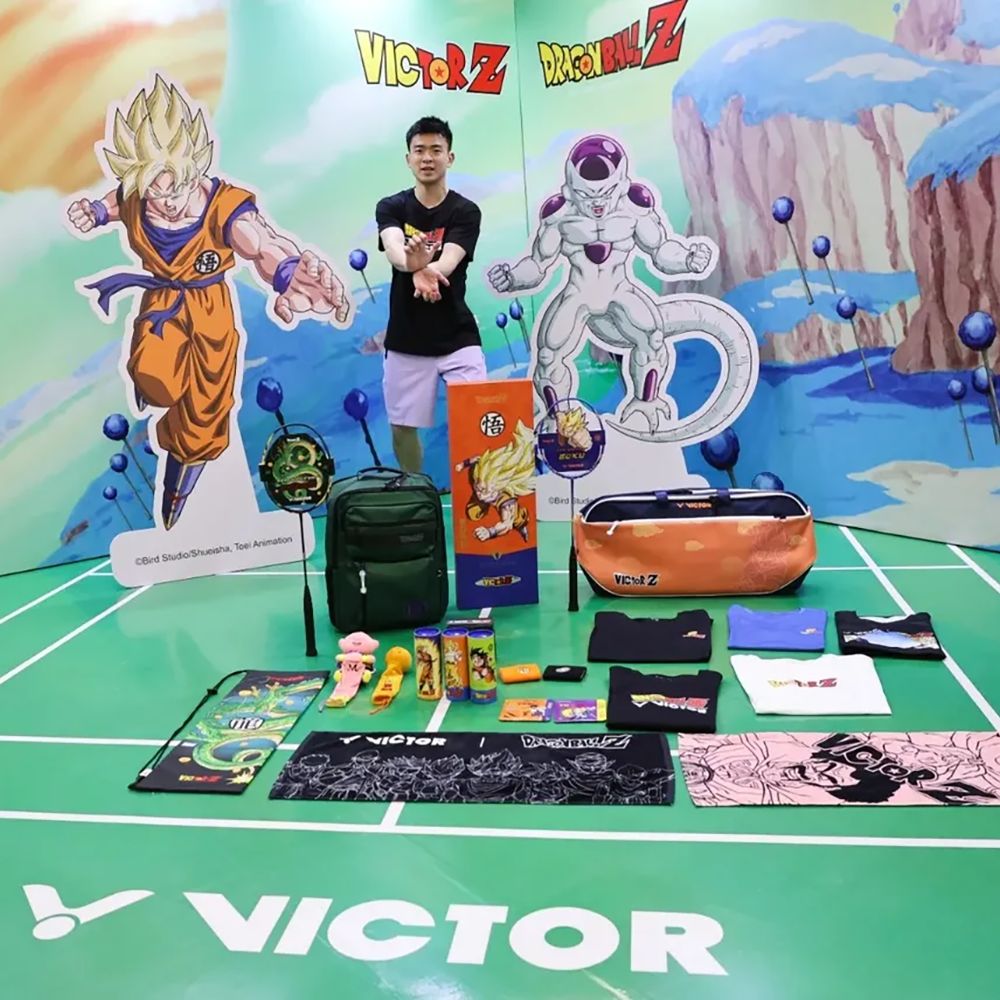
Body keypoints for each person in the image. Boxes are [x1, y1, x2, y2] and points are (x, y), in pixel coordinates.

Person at [375, 116, 485, 473]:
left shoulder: (465, 211)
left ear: (449, 158)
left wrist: (425, 267)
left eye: (436, 150)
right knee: (401, 428)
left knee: (478, 420)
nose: (427, 158)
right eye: (419, 150)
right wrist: (412, 264)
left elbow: (450, 260)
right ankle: (416, 491)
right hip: (406, 339)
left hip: (458, 338)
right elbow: (395, 249)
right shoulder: (391, 206)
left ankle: (479, 495)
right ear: (408, 159)